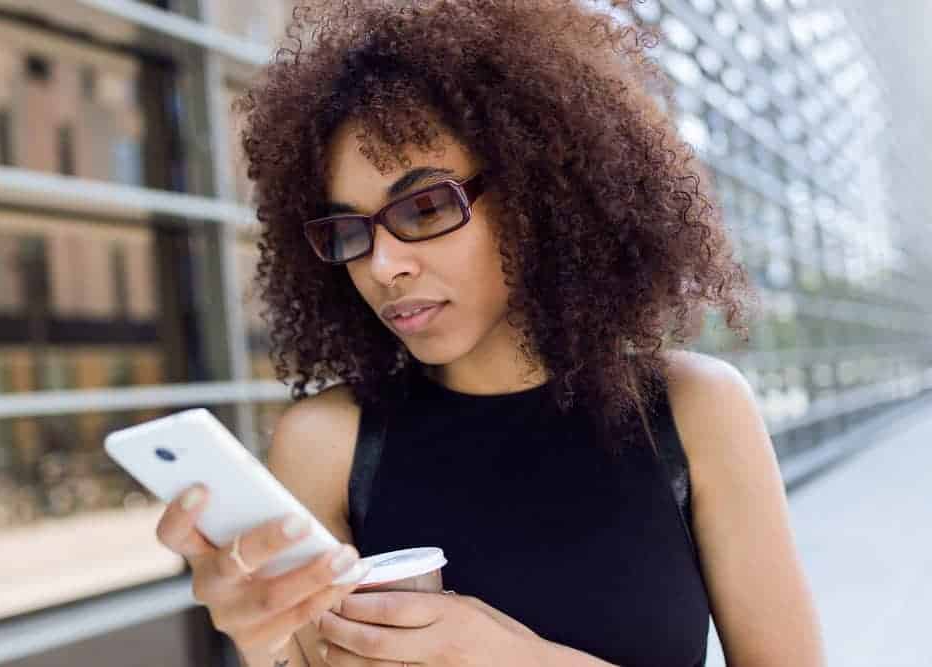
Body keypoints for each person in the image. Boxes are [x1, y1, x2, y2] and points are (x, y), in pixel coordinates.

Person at [155, 1, 826, 666]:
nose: (383, 265)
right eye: (349, 231)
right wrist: (264, 641)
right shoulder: (328, 443)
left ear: (540, 189)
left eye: (423, 206)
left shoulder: (694, 410)